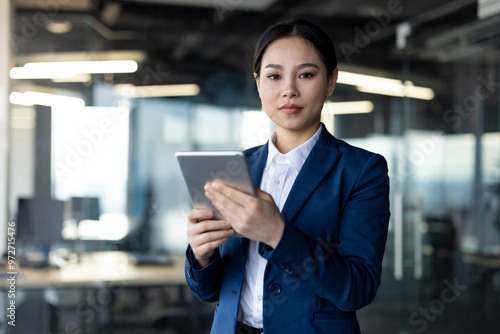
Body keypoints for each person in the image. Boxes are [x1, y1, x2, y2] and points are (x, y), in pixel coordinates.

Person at [185, 19, 390, 334]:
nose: (289, 90)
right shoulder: (234, 167)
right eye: (274, 76)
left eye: (306, 74)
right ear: (258, 83)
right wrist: (202, 256)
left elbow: (358, 288)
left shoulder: (362, 170)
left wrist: (278, 234)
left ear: (331, 81)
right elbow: (211, 292)